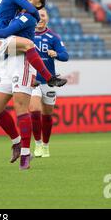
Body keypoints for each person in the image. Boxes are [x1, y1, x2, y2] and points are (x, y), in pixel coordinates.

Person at [0, 0, 48, 170]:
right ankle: (17, 142)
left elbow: (6, 32)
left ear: (39, 4)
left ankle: (26, 155)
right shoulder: (16, 12)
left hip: (23, 63)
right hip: (7, 63)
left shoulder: (29, 16)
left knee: (21, 108)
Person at [30, 9, 69, 158]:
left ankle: (46, 145)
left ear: (47, 18)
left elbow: (65, 55)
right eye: (37, 16)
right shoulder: (27, 35)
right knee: (34, 110)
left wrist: (56, 54)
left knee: (47, 115)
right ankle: (38, 144)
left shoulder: (53, 37)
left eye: (43, 15)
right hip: (33, 81)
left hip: (49, 81)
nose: (40, 18)